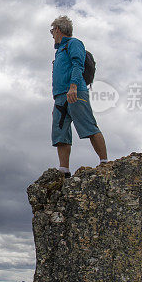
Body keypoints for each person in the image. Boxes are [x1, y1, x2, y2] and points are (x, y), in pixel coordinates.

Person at [50, 15, 108, 177]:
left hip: (75, 91)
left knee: (88, 125)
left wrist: (74, 86)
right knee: (60, 132)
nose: (52, 35)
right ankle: (64, 169)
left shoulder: (74, 44)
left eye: (52, 32)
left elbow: (78, 64)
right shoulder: (60, 51)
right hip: (60, 96)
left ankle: (105, 162)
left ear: (58, 30)